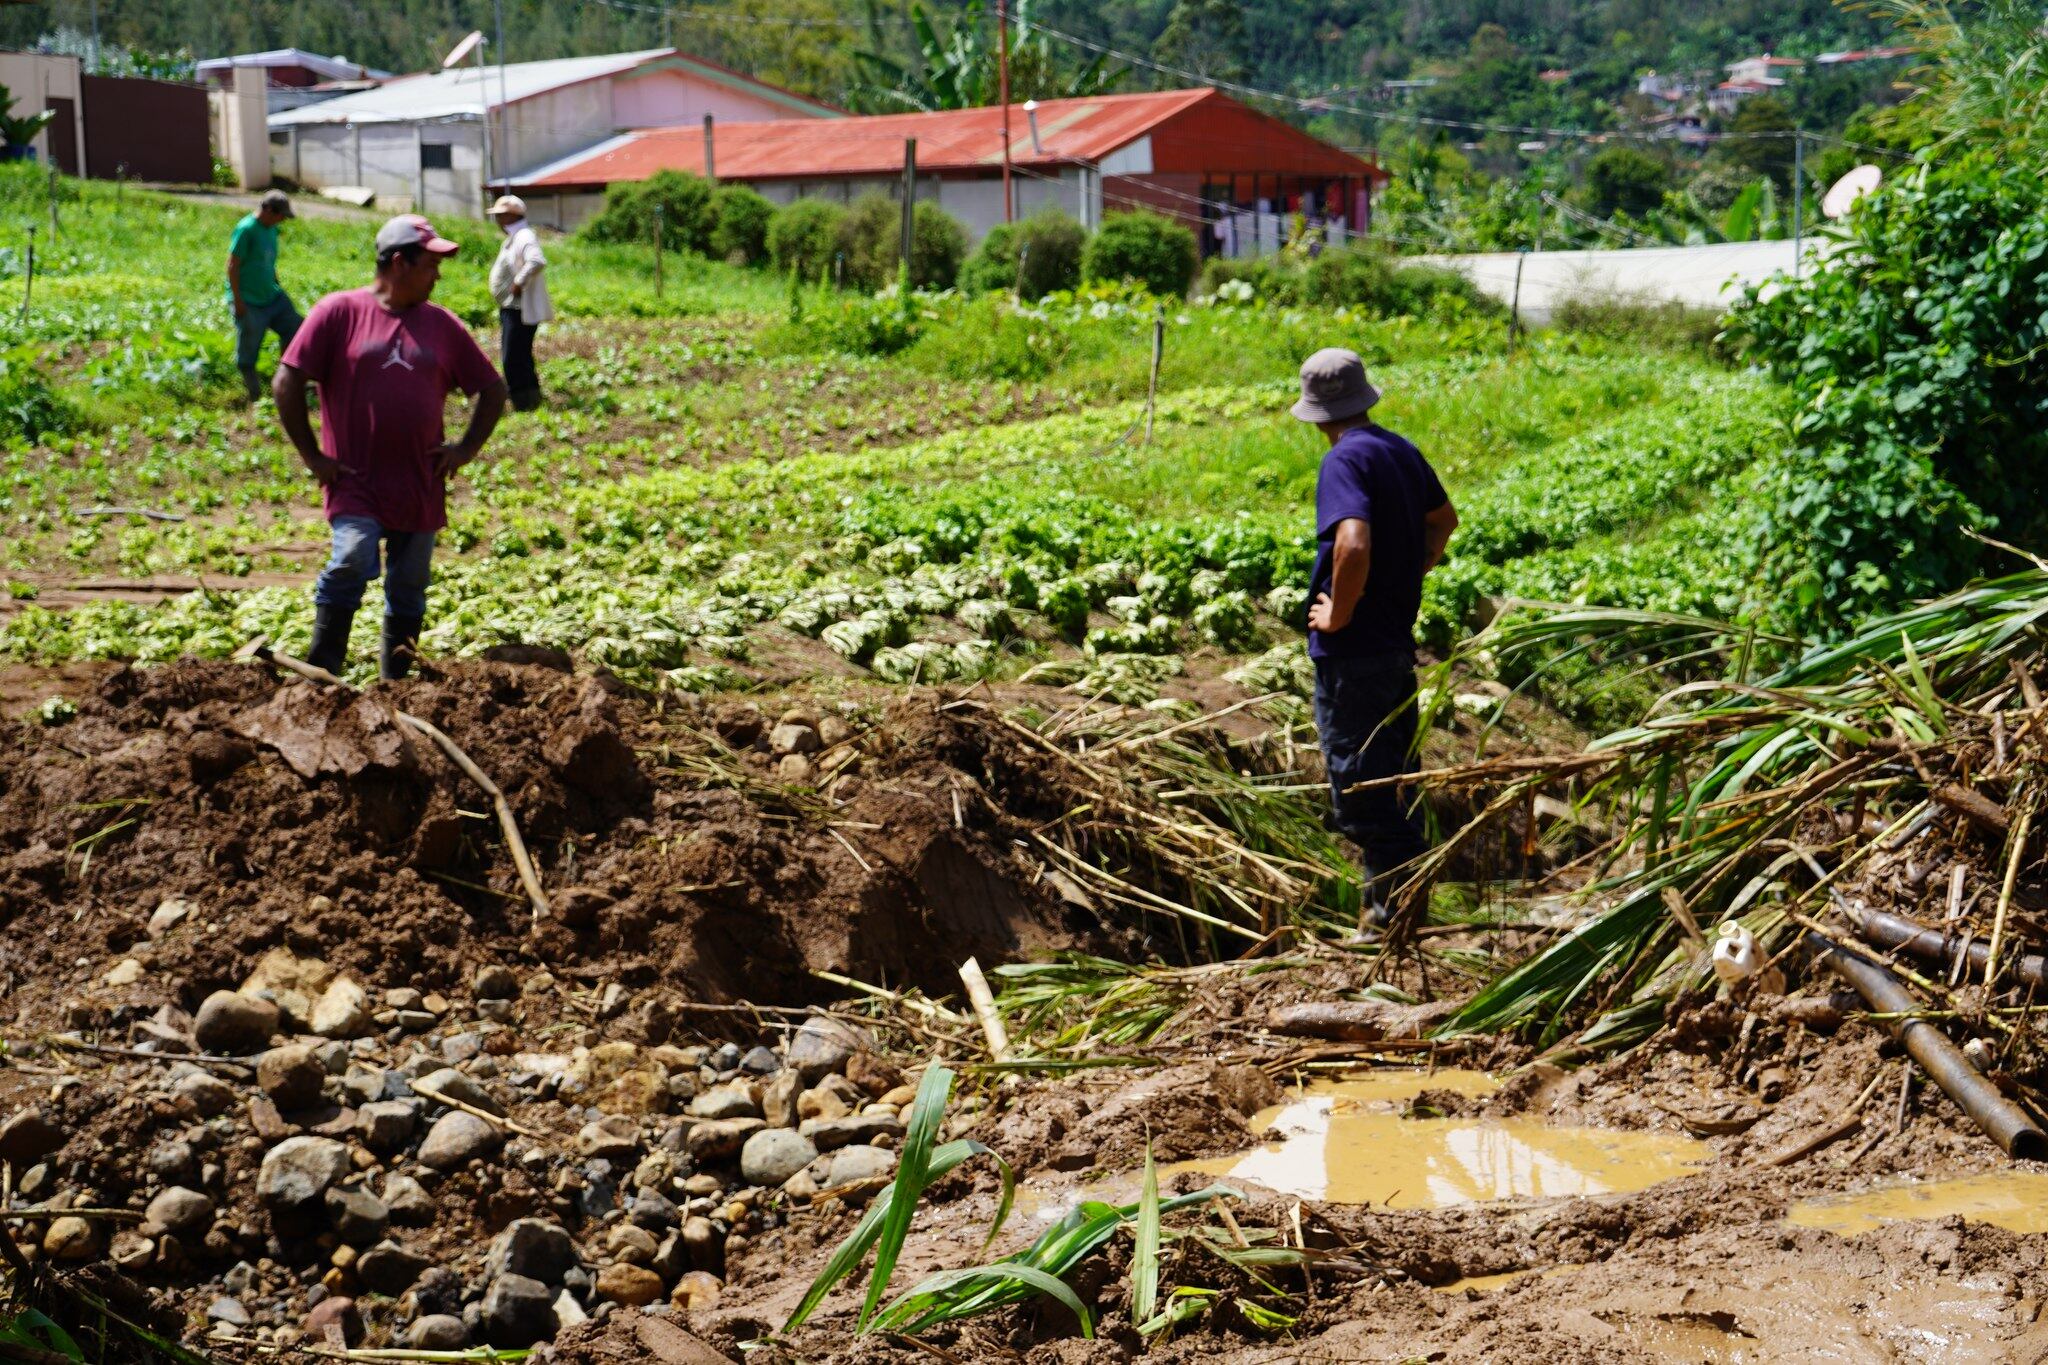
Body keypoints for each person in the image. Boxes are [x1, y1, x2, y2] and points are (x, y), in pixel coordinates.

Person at [274, 215, 508, 680]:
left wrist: (464, 450)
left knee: (408, 587)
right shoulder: (339, 313)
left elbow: (493, 390)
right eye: (430, 265)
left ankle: (395, 686)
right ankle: (321, 671)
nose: (437, 276)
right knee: (351, 558)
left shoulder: (441, 325)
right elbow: (287, 381)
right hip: (355, 481)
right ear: (399, 263)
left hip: (418, 483)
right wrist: (312, 457)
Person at [1293, 346, 1459, 924]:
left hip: (1354, 654)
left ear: (1316, 413)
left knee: (1359, 798)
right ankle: (1386, 917)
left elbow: (1354, 542)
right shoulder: (1397, 449)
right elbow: (1444, 520)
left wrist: (1340, 610)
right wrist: (1413, 566)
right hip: (1394, 650)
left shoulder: (1344, 461)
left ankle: (1403, 900)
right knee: (1389, 781)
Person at [226, 189, 301, 403]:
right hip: (249, 300)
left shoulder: (271, 229)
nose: (281, 220)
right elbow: (232, 265)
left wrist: (277, 285)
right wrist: (238, 300)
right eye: (280, 215)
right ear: (267, 209)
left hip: (271, 295)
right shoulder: (246, 229)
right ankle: (251, 384)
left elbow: (268, 262)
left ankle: (286, 373)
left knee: (296, 327)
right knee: (249, 345)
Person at [487, 194, 553, 411]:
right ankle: (529, 399)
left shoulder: (524, 236)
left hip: (518, 308)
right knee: (520, 354)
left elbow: (536, 261)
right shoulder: (516, 237)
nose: (497, 220)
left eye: (499, 215)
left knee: (512, 357)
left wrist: (518, 283)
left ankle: (522, 401)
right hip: (513, 307)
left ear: (509, 216)